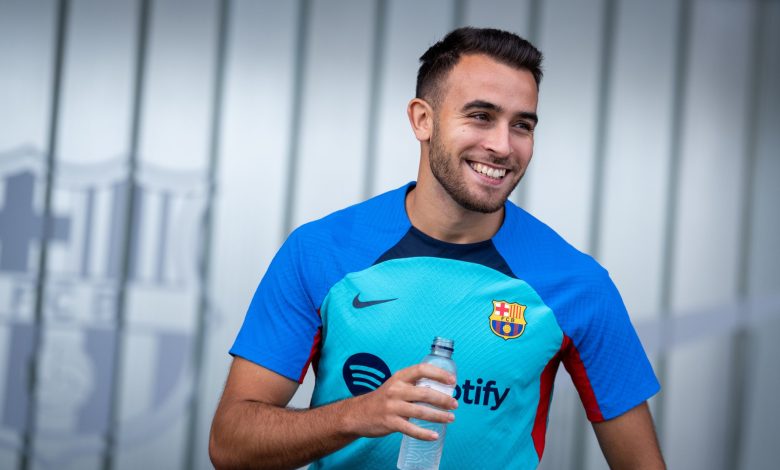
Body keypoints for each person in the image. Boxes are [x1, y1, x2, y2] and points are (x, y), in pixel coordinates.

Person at [209, 27, 665, 469]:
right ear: (422, 120)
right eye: (481, 116)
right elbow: (231, 444)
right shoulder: (320, 252)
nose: (502, 146)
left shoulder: (578, 285)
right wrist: (356, 415)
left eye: (522, 125)